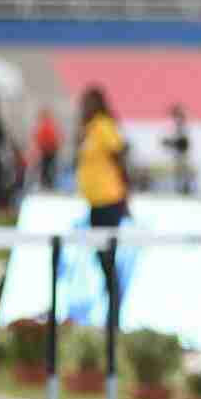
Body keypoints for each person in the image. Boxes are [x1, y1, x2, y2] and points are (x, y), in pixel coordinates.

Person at [75, 86, 130, 304]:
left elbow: (119, 157)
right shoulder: (88, 129)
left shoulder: (104, 126)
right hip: (95, 202)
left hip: (110, 200)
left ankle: (114, 313)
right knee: (101, 257)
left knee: (107, 258)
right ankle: (111, 308)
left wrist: (126, 192)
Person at [161, 104, 192, 195]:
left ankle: (184, 188)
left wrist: (170, 143)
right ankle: (181, 188)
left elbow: (183, 142)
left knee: (183, 171)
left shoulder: (183, 126)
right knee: (180, 171)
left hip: (182, 152)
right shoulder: (178, 126)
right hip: (179, 153)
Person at [32, 107, 62, 191]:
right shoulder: (50, 124)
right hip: (49, 150)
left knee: (46, 168)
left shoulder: (45, 125)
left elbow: (38, 137)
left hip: (47, 150)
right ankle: (48, 183)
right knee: (48, 168)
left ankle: (47, 183)